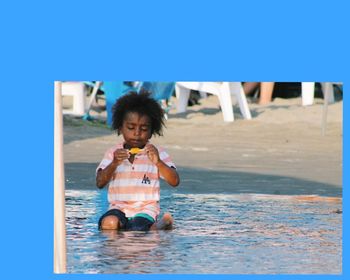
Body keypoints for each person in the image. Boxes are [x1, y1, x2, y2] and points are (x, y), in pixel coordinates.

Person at [96, 91, 180, 231]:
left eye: (144, 129)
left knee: (137, 230)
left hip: (146, 209)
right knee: (109, 224)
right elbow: (100, 182)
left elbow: (175, 181)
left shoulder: (157, 153)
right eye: (131, 127)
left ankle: (160, 224)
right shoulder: (112, 153)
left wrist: (158, 162)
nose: (136, 133)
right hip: (118, 206)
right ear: (120, 127)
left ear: (152, 130)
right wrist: (114, 163)